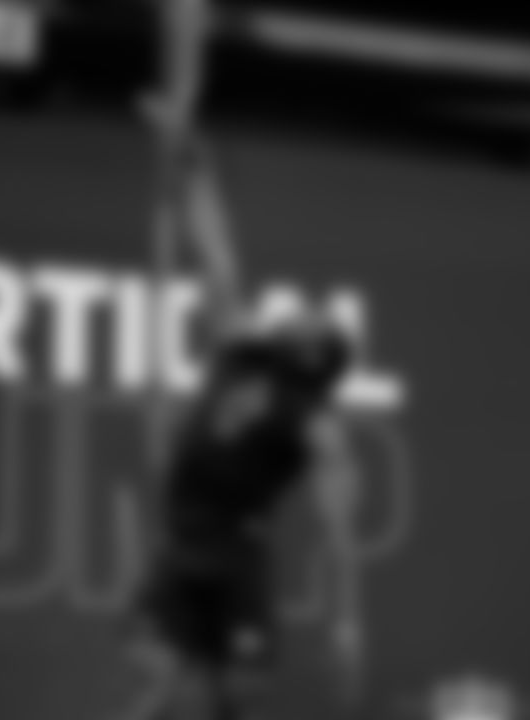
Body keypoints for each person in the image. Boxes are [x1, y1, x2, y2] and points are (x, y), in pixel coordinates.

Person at [123, 2, 367, 718]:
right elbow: (215, 247)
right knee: (158, 683)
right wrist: (189, 154)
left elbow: (338, 526)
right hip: (181, 539)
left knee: (233, 699)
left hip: (236, 557)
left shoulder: (314, 420)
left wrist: (348, 619)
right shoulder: (242, 348)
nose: (297, 309)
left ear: (315, 354)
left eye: (311, 317)